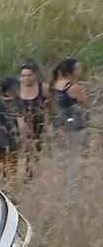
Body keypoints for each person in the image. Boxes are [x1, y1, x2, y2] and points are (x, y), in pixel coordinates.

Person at [51, 57, 90, 189]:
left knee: (61, 156)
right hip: (74, 125)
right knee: (74, 156)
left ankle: (59, 185)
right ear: (71, 70)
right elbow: (86, 103)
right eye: (77, 68)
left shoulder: (54, 85)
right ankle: (71, 187)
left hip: (59, 124)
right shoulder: (73, 87)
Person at [18, 60, 52, 178]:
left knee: (37, 149)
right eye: (23, 76)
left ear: (35, 75)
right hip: (21, 124)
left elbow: (51, 104)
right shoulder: (17, 89)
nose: (26, 78)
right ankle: (26, 175)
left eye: (29, 75)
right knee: (26, 149)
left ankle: (35, 175)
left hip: (39, 123)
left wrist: (49, 118)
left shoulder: (43, 87)